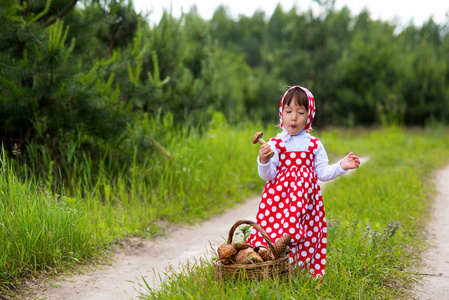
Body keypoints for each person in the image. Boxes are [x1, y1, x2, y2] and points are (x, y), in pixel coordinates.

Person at [246, 85, 360, 279]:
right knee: (275, 233)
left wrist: (342, 165)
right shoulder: (276, 143)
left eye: (300, 112)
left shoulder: (313, 144)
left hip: (306, 203)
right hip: (278, 202)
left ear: (309, 116)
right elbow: (267, 175)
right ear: (281, 113)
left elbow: (322, 173)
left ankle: (298, 272)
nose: (294, 117)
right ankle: (269, 267)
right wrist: (263, 160)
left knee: (304, 236)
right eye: (288, 111)